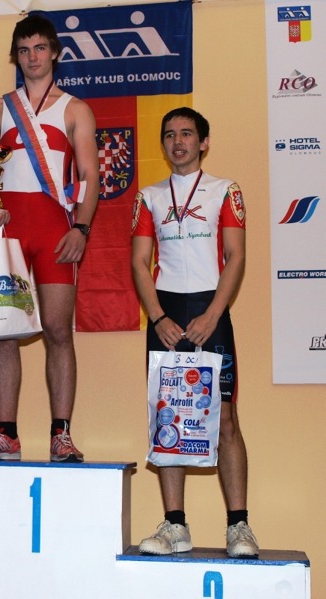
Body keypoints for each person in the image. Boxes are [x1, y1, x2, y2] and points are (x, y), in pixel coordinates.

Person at [0, 15, 99, 462]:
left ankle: (61, 435)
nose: (32, 58)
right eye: (24, 51)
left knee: (58, 330)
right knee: (5, 333)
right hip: (10, 229)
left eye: (40, 48)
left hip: (55, 231)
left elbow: (90, 174)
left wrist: (81, 228)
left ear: (54, 52)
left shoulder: (75, 110)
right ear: (15, 57)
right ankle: (6, 434)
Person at [131, 107, 259, 558]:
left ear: (203, 142)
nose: (178, 142)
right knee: (168, 416)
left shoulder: (226, 190)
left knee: (225, 418)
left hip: (210, 311)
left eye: (187, 134)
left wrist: (212, 315)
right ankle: (175, 525)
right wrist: (157, 317)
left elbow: (236, 256)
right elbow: (139, 262)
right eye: (169, 135)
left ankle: (239, 527)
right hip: (165, 316)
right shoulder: (148, 197)